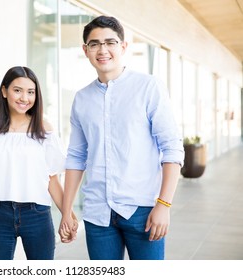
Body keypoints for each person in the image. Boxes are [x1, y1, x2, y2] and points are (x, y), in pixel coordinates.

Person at [59, 15, 184, 260]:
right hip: (98, 215)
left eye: (110, 42)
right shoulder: (82, 99)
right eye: (94, 44)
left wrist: (164, 205)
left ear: (123, 46)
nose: (102, 50)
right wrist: (66, 211)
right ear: (86, 50)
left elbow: (171, 149)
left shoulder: (149, 87)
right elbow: (76, 157)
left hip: (143, 211)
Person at [0, 66, 77, 260]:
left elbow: (52, 179)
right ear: (4, 91)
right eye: (17, 90)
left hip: (37, 215)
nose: (24, 98)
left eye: (30, 92)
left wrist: (67, 213)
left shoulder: (44, 130)